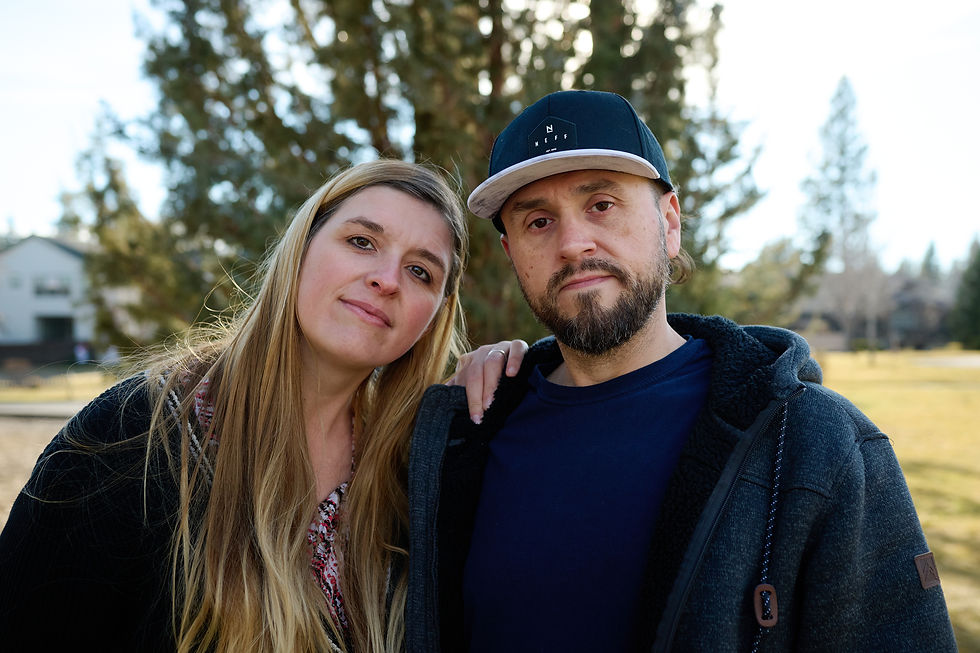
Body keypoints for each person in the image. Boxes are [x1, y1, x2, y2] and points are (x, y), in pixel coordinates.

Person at [405, 91, 957, 652]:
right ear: (510, 251)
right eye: (539, 221)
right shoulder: (465, 437)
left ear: (669, 223)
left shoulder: (817, 444)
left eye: (601, 204)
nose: (573, 244)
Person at [0, 160, 522, 653]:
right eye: (361, 242)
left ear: (433, 317)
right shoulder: (136, 434)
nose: (387, 279)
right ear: (302, 248)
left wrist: (514, 375)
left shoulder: (413, 472)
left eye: (421, 272)